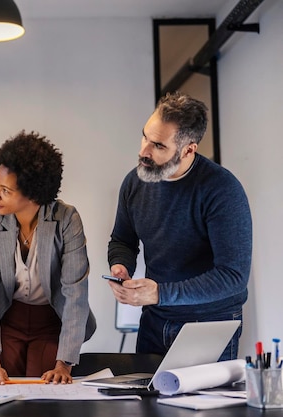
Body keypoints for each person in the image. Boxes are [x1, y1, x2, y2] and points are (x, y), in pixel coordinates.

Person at [107, 91, 252, 361]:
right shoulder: (135, 182)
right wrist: (120, 266)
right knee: (148, 403)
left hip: (208, 323)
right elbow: (122, 240)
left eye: (159, 146)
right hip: (154, 320)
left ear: (188, 149)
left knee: (204, 404)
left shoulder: (222, 190)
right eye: (145, 137)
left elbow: (233, 276)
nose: (143, 152)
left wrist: (161, 293)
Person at [0, 131, 96, 385]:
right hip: (9, 318)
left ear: (33, 195)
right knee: (4, 390)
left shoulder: (67, 219)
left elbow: (75, 293)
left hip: (53, 320)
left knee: (47, 392)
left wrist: (64, 365)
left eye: (5, 190)